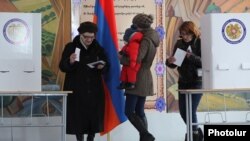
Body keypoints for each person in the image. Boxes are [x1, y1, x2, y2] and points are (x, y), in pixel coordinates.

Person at [59, 21, 108, 141]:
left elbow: (107, 65)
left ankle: (91, 138)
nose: (89, 40)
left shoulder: (98, 48)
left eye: (92, 37)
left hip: (94, 90)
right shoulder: (70, 47)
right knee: (77, 118)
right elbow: (62, 66)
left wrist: (103, 67)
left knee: (93, 117)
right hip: (76, 89)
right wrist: (69, 61)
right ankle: (79, 138)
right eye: (86, 37)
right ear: (80, 34)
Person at [119, 13, 160, 141]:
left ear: (139, 26)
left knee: (129, 111)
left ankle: (146, 135)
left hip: (136, 76)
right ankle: (145, 137)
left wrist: (122, 58)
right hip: (145, 76)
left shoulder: (145, 40)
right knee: (139, 111)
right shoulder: (152, 37)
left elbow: (136, 59)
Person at [165, 21, 203, 141]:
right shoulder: (179, 43)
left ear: (193, 32)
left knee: (190, 110)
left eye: (187, 34)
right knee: (183, 111)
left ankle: (194, 134)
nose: (185, 37)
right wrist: (169, 62)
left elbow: (205, 62)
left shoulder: (200, 43)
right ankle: (196, 131)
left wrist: (191, 57)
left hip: (197, 81)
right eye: (182, 34)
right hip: (183, 81)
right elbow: (174, 65)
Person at [117, 24, 143, 89]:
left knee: (131, 74)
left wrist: (133, 63)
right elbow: (124, 49)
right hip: (127, 63)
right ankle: (123, 82)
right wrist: (121, 52)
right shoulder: (129, 44)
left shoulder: (134, 45)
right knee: (124, 72)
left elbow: (134, 55)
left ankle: (131, 84)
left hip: (132, 65)